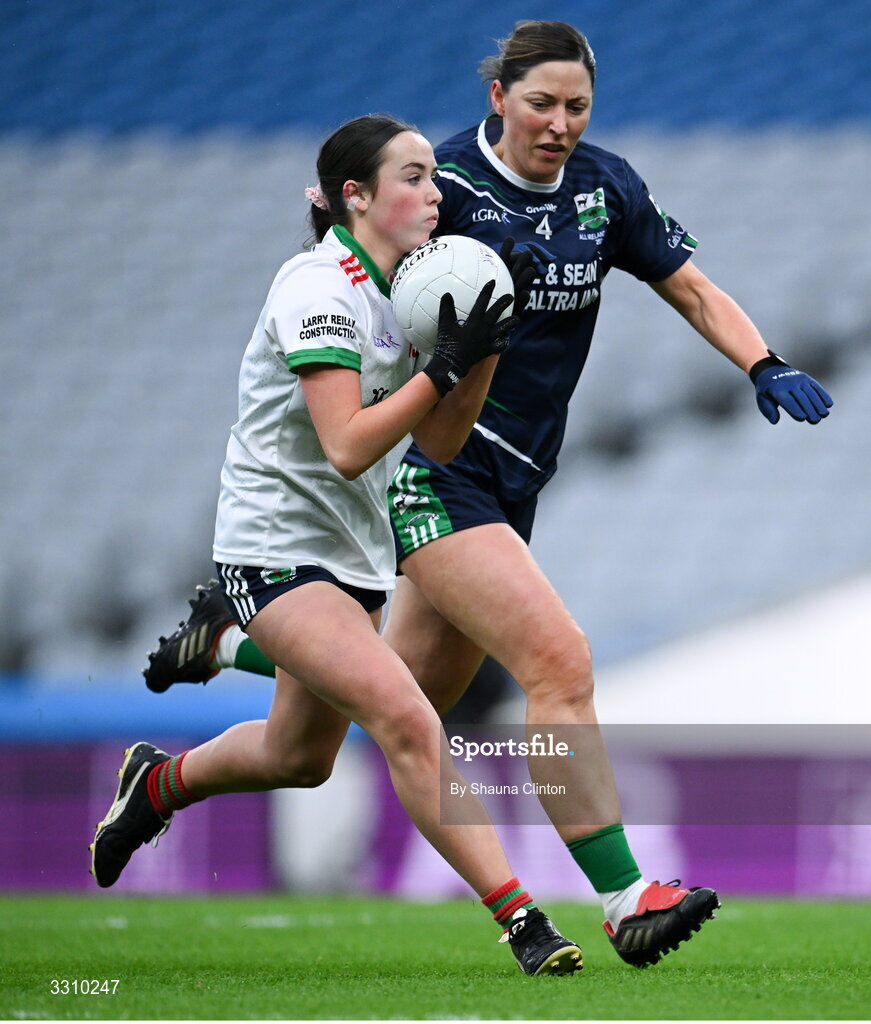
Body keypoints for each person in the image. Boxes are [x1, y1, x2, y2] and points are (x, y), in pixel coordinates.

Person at [143, 21, 833, 968]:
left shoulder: (606, 187)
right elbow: (353, 298)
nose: (559, 123)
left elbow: (692, 287)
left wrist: (763, 360)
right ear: (498, 97)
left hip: (516, 480)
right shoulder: (446, 188)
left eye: (576, 106)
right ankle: (628, 893)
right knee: (560, 662)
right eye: (540, 103)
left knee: (372, 718)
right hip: (437, 470)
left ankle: (201, 697)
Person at [90, 113, 585, 978]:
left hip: (354, 554)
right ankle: (524, 923)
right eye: (415, 177)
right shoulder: (317, 284)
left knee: (301, 758)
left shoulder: (408, 289)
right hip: (273, 549)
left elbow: (435, 445)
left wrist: (483, 356)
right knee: (405, 716)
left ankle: (157, 781)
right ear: (355, 197)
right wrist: (441, 367)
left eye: (435, 177)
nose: (436, 193)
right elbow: (350, 444)